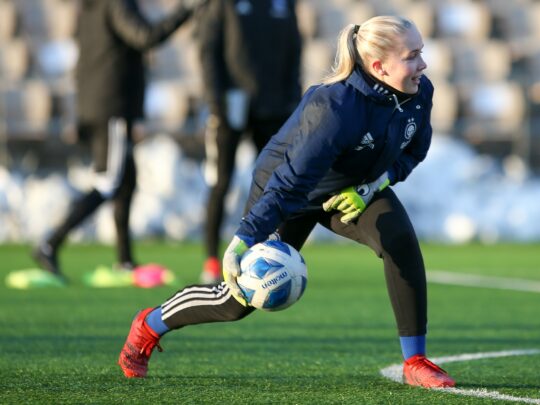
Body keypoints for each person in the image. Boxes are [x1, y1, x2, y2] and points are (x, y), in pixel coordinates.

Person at [118, 16, 456, 388]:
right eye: (413, 56)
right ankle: (149, 325)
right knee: (235, 303)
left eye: (421, 53)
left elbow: (414, 152)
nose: (422, 64)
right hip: (286, 191)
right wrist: (243, 240)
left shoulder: (419, 92)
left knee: (400, 241)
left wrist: (373, 185)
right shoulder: (336, 106)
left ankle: (416, 361)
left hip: (350, 188)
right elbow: (291, 181)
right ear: (378, 66)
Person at [29, 0, 205, 287]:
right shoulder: (116, 3)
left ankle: (124, 260)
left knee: (126, 180)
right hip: (111, 104)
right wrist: (184, 10)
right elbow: (143, 36)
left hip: (99, 103)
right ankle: (51, 242)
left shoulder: (91, 7)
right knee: (109, 180)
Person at [196, 0, 302, 283]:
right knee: (220, 183)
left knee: (275, 184)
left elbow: (294, 50)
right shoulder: (224, 4)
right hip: (229, 107)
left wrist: (293, 98)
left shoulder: (284, 4)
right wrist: (215, 101)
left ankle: (275, 258)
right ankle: (210, 261)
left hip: (274, 107)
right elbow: (208, 49)